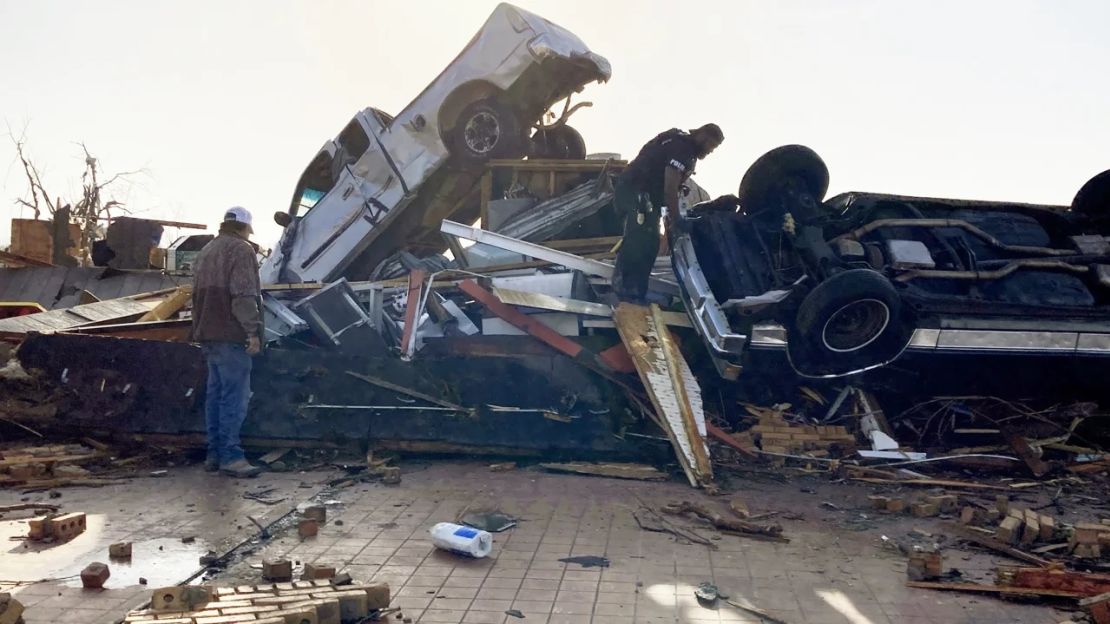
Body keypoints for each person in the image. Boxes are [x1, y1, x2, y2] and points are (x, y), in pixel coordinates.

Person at [612, 124, 724, 302]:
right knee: (642, 240)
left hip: (641, 194)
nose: (710, 151)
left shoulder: (682, 145)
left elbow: (667, 178)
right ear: (703, 136)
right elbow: (669, 187)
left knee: (648, 242)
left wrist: (681, 187)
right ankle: (627, 290)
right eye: (711, 145)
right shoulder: (683, 149)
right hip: (637, 193)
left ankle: (634, 290)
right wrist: (676, 218)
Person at [191, 207, 264, 478]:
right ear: (244, 228)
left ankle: (214, 454)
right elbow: (243, 295)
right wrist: (252, 332)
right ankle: (232, 456)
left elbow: (196, 296)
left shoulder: (207, 250)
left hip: (207, 333)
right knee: (235, 398)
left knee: (216, 396)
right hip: (230, 335)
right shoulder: (241, 250)